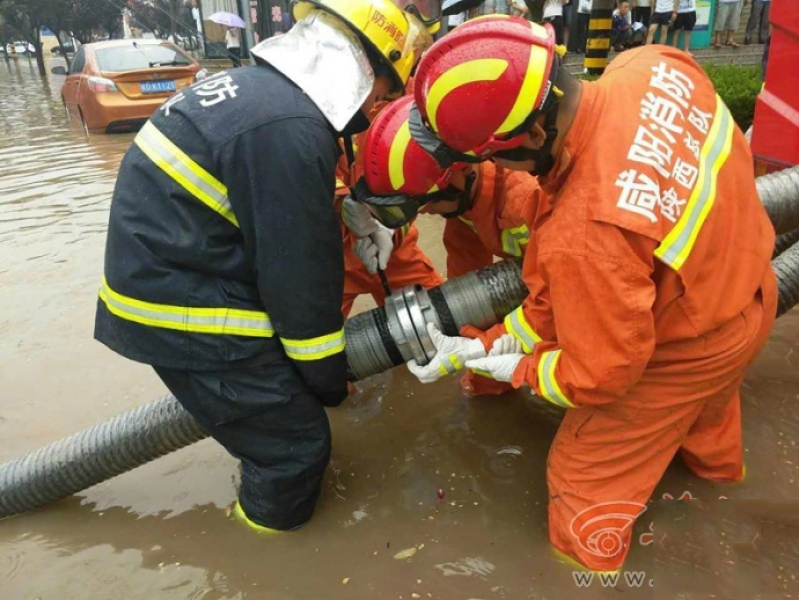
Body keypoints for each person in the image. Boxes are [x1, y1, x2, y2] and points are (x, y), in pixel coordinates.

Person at [407, 16, 776, 571]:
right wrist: (494, 342)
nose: (493, 169)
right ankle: (724, 492)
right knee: (705, 433)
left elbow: (600, 375)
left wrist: (521, 369)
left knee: (582, 487)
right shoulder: (653, 64)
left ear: (535, 135)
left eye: (491, 156)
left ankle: (586, 575)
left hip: (684, 347)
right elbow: (574, 299)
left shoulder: (584, 230)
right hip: (744, 290)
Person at [94, 0, 431, 534]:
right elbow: (300, 285)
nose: (378, 106)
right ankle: (258, 551)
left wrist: (346, 207)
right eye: (385, 91)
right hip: (184, 307)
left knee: (281, 412)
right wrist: (328, 382)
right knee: (294, 449)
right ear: (365, 68)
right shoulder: (291, 128)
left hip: (172, 279)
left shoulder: (264, 96)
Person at [348, 94, 550, 396]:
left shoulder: (526, 201)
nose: (426, 212)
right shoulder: (467, 203)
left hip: (592, 303)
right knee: (482, 378)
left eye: (426, 203)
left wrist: (494, 343)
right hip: (548, 287)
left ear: (458, 176)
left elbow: (567, 295)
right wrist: (476, 351)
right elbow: (468, 291)